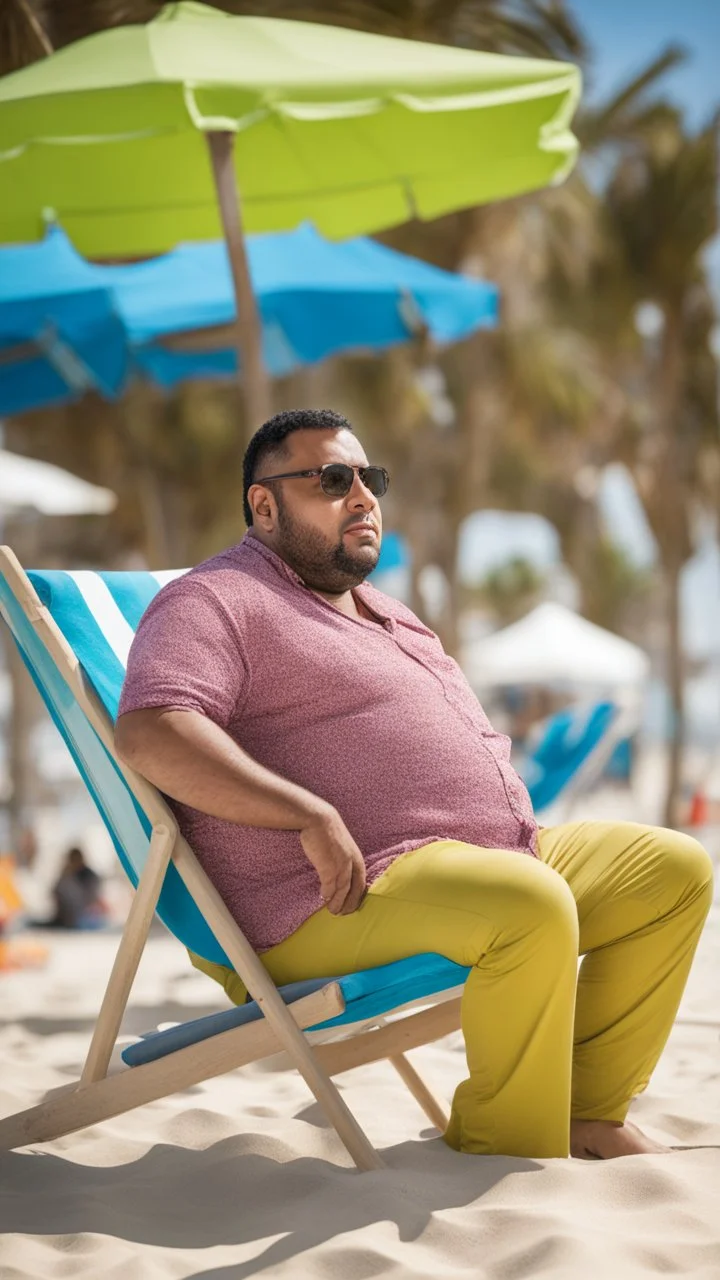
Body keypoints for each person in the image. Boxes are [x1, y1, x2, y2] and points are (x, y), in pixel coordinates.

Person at [115, 408, 713, 1161]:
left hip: (479, 858)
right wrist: (306, 814)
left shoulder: (384, 611)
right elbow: (153, 729)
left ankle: (586, 1113)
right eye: (332, 480)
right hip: (330, 895)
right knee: (528, 907)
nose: (363, 496)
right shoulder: (216, 600)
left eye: (372, 479)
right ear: (263, 505)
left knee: (674, 870)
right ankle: (507, 1149)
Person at [47, 847, 106, 930]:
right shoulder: (66, 877)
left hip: (83, 919)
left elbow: (92, 899)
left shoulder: (89, 877)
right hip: (69, 920)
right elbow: (56, 893)